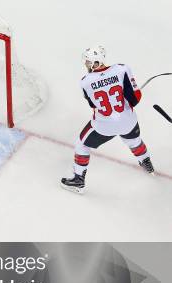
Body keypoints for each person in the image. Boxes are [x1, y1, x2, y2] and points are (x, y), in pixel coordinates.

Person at [61, 46, 154, 194]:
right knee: (134, 141)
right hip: (128, 121)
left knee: (82, 145)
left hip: (104, 126)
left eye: (87, 62)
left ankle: (78, 180)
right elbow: (135, 99)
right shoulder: (122, 69)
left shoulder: (85, 82)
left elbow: (93, 105)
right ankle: (146, 163)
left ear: (95, 62)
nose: (86, 65)